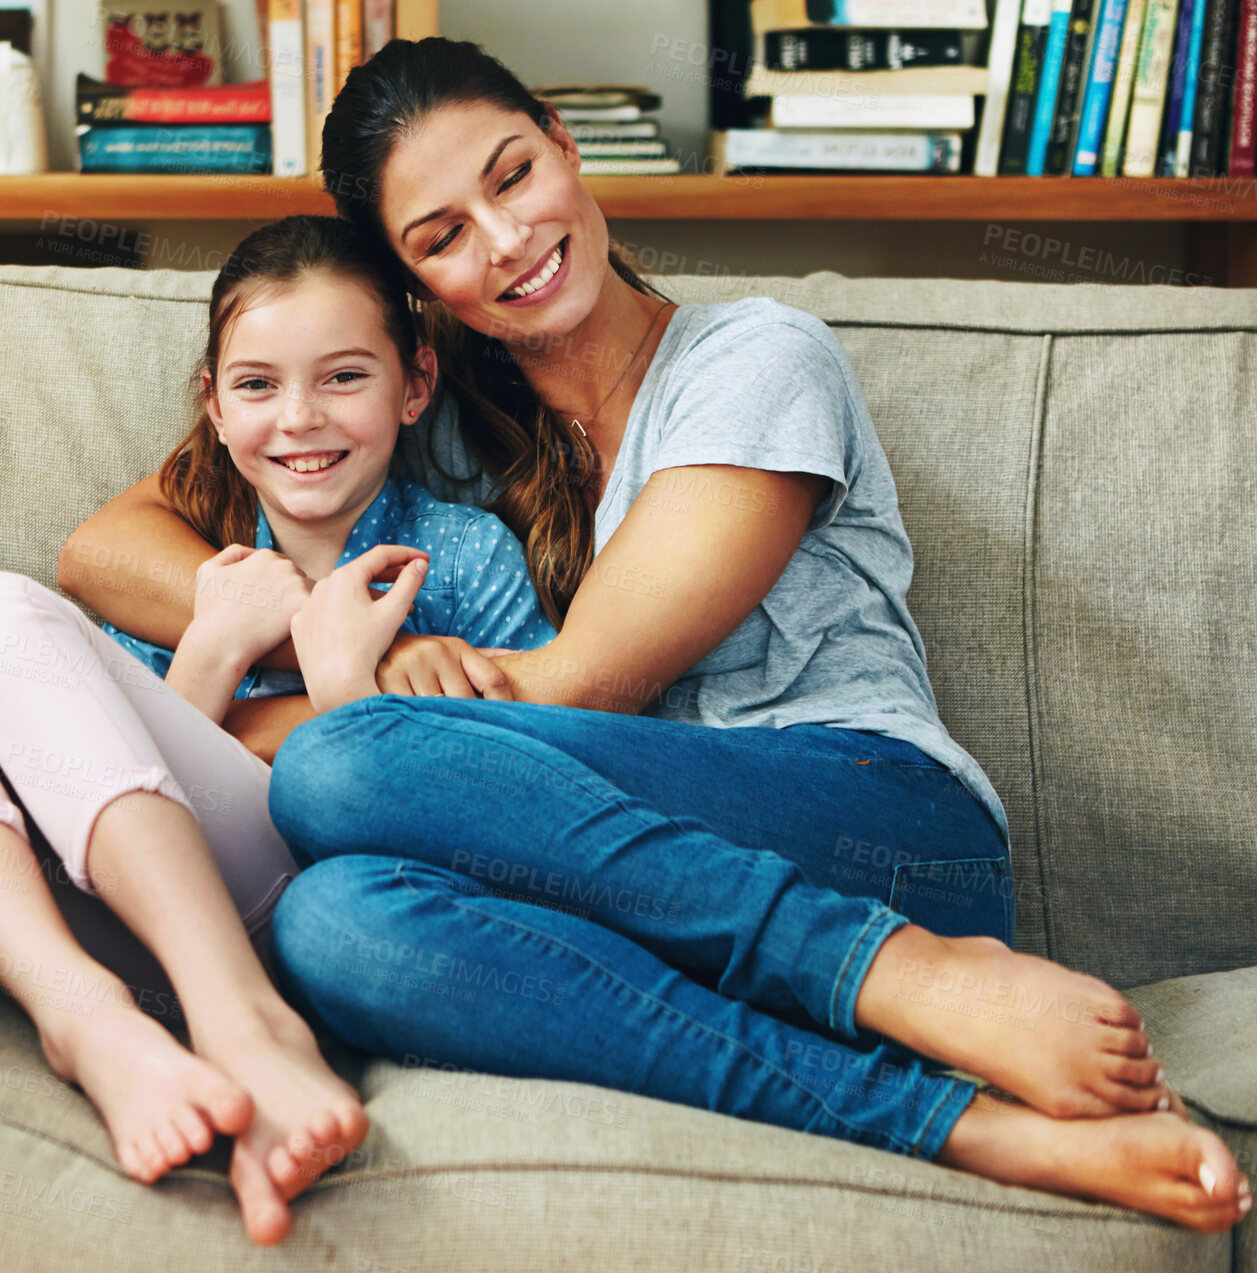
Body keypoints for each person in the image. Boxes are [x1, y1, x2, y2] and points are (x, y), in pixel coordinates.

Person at [63, 40, 1251, 1233]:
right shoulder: (441, 419)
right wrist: (298, 623)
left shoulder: (755, 360)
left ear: (566, 147)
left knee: (341, 762)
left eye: (512, 175)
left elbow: (577, 690)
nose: (507, 238)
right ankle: (966, 1125)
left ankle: (907, 975)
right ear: (420, 292)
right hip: (634, 887)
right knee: (337, 929)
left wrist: (327, 717)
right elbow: (106, 549)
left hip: (881, 828)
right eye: (443, 236)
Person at [0, 213, 557, 1247]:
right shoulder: (195, 556)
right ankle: (84, 1017)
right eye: (257, 385)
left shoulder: (461, 556)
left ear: (415, 385)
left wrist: (347, 687)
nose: (299, 419)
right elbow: (103, 764)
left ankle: (245, 1021)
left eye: (343, 378)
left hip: (305, 910)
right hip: (92, 906)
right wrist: (211, 648)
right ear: (213, 400)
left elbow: (536, 798)